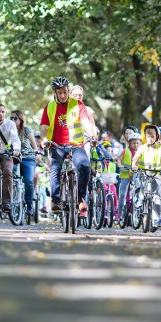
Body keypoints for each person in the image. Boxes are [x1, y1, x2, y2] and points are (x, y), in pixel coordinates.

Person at [40, 76, 96, 218]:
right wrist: (44, 139)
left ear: (68, 91)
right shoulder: (50, 106)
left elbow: (86, 122)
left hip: (76, 145)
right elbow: (43, 127)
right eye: (60, 93)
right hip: (56, 145)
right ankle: (56, 201)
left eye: (65, 92)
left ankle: (80, 199)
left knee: (84, 166)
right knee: (55, 169)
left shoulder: (77, 105)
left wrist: (92, 135)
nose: (63, 95)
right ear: (56, 93)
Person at [132, 124, 161, 231]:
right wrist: (134, 164)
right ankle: (138, 202)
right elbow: (135, 158)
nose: (150, 138)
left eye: (152, 136)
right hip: (144, 173)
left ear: (157, 137)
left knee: (157, 198)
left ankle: (158, 221)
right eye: (148, 136)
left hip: (156, 176)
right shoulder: (142, 148)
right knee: (141, 189)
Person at [0, 103, 21, 216]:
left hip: (6, 153)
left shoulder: (10, 124)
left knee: (8, 174)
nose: (1, 114)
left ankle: (6, 204)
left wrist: (16, 149)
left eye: (3, 112)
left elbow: (15, 138)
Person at [11, 110, 38, 217]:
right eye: (11, 118)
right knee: (8, 177)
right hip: (13, 158)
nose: (13, 120)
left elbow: (34, 146)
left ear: (20, 119)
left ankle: (29, 204)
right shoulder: (9, 129)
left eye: (15, 118)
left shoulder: (26, 130)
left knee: (29, 180)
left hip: (28, 158)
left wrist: (35, 150)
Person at [117, 132, 141, 218]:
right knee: (122, 194)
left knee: (137, 192)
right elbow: (119, 159)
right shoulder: (125, 150)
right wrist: (120, 166)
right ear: (129, 143)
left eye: (137, 143)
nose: (135, 145)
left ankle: (135, 211)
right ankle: (119, 214)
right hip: (125, 175)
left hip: (136, 175)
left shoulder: (141, 152)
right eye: (133, 143)